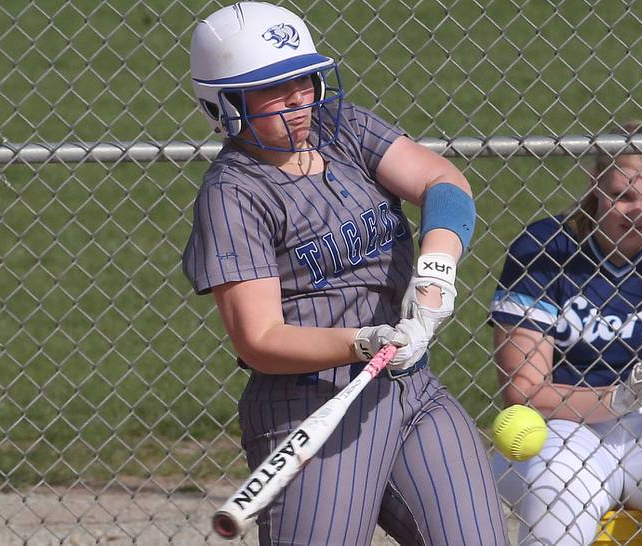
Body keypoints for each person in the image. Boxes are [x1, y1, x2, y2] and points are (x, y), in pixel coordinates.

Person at [182, 2, 508, 545]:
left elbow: (443, 183)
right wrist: (365, 341)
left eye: (303, 81)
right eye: (273, 90)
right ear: (227, 105)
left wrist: (435, 269)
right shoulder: (234, 193)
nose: (299, 100)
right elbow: (259, 339)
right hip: (312, 405)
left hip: (411, 391)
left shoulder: (342, 128)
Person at [490, 120, 642, 545]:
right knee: (559, 492)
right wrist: (617, 398)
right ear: (595, 184)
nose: (638, 212)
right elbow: (523, 390)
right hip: (564, 429)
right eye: (621, 195)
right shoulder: (546, 247)